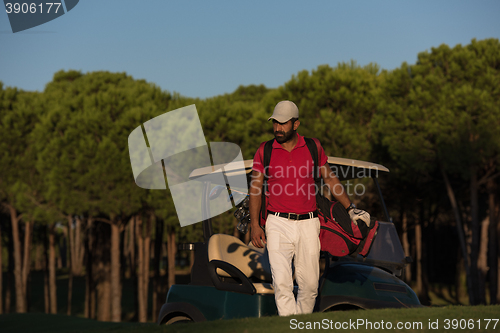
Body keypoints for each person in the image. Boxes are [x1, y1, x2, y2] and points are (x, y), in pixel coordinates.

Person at [249, 100, 358, 317]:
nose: (277, 128)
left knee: (309, 286)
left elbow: (329, 178)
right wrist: (254, 224)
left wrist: (350, 208)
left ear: (296, 124)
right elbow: (255, 189)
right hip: (277, 223)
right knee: (282, 284)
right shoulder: (265, 149)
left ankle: (300, 323)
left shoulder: (312, 147)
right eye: (275, 123)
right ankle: (291, 327)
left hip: (309, 223)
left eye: (283, 123)